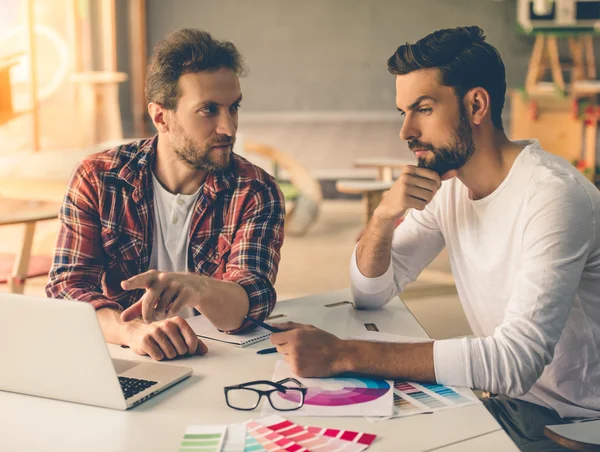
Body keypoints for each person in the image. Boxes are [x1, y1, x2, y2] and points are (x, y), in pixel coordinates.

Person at [270, 26, 600, 450]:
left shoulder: (553, 196)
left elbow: (514, 361)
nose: (406, 131)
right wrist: (385, 216)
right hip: (515, 404)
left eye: (423, 109)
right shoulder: (450, 187)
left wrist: (343, 354)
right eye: (402, 112)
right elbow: (370, 291)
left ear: (476, 104)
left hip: (578, 423)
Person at [46, 28, 285, 363]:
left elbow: (248, 306)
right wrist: (131, 331)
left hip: (219, 359)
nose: (229, 128)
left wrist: (198, 287)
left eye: (233, 108)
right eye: (209, 110)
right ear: (160, 116)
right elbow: (67, 289)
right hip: (122, 355)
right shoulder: (99, 178)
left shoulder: (255, 190)